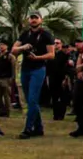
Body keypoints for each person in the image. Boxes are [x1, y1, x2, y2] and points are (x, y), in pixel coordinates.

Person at [13, 11, 55, 139]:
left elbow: (52, 54)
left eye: (36, 18)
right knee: (30, 100)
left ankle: (28, 128)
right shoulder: (25, 35)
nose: (33, 20)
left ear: (41, 20)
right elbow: (13, 50)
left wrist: (38, 58)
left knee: (32, 99)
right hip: (25, 69)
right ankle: (39, 128)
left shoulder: (46, 35)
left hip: (38, 69)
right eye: (31, 18)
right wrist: (23, 47)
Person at [47, 38, 70, 121]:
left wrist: (65, 79)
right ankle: (55, 115)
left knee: (62, 97)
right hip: (52, 78)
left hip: (61, 79)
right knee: (54, 97)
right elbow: (48, 68)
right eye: (54, 43)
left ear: (61, 44)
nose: (56, 44)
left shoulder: (64, 55)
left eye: (57, 43)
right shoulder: (51, 55)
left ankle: (61, 115)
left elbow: (67, 68)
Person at [0, 41, 16, 118]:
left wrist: (12, 78)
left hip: (6, 78)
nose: (1, 47)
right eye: (0, 45)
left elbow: (13, 68)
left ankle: (7, 112)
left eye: (3, 45)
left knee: (7, 96)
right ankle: (1, 111)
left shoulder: (10, 56)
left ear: (7, 46)